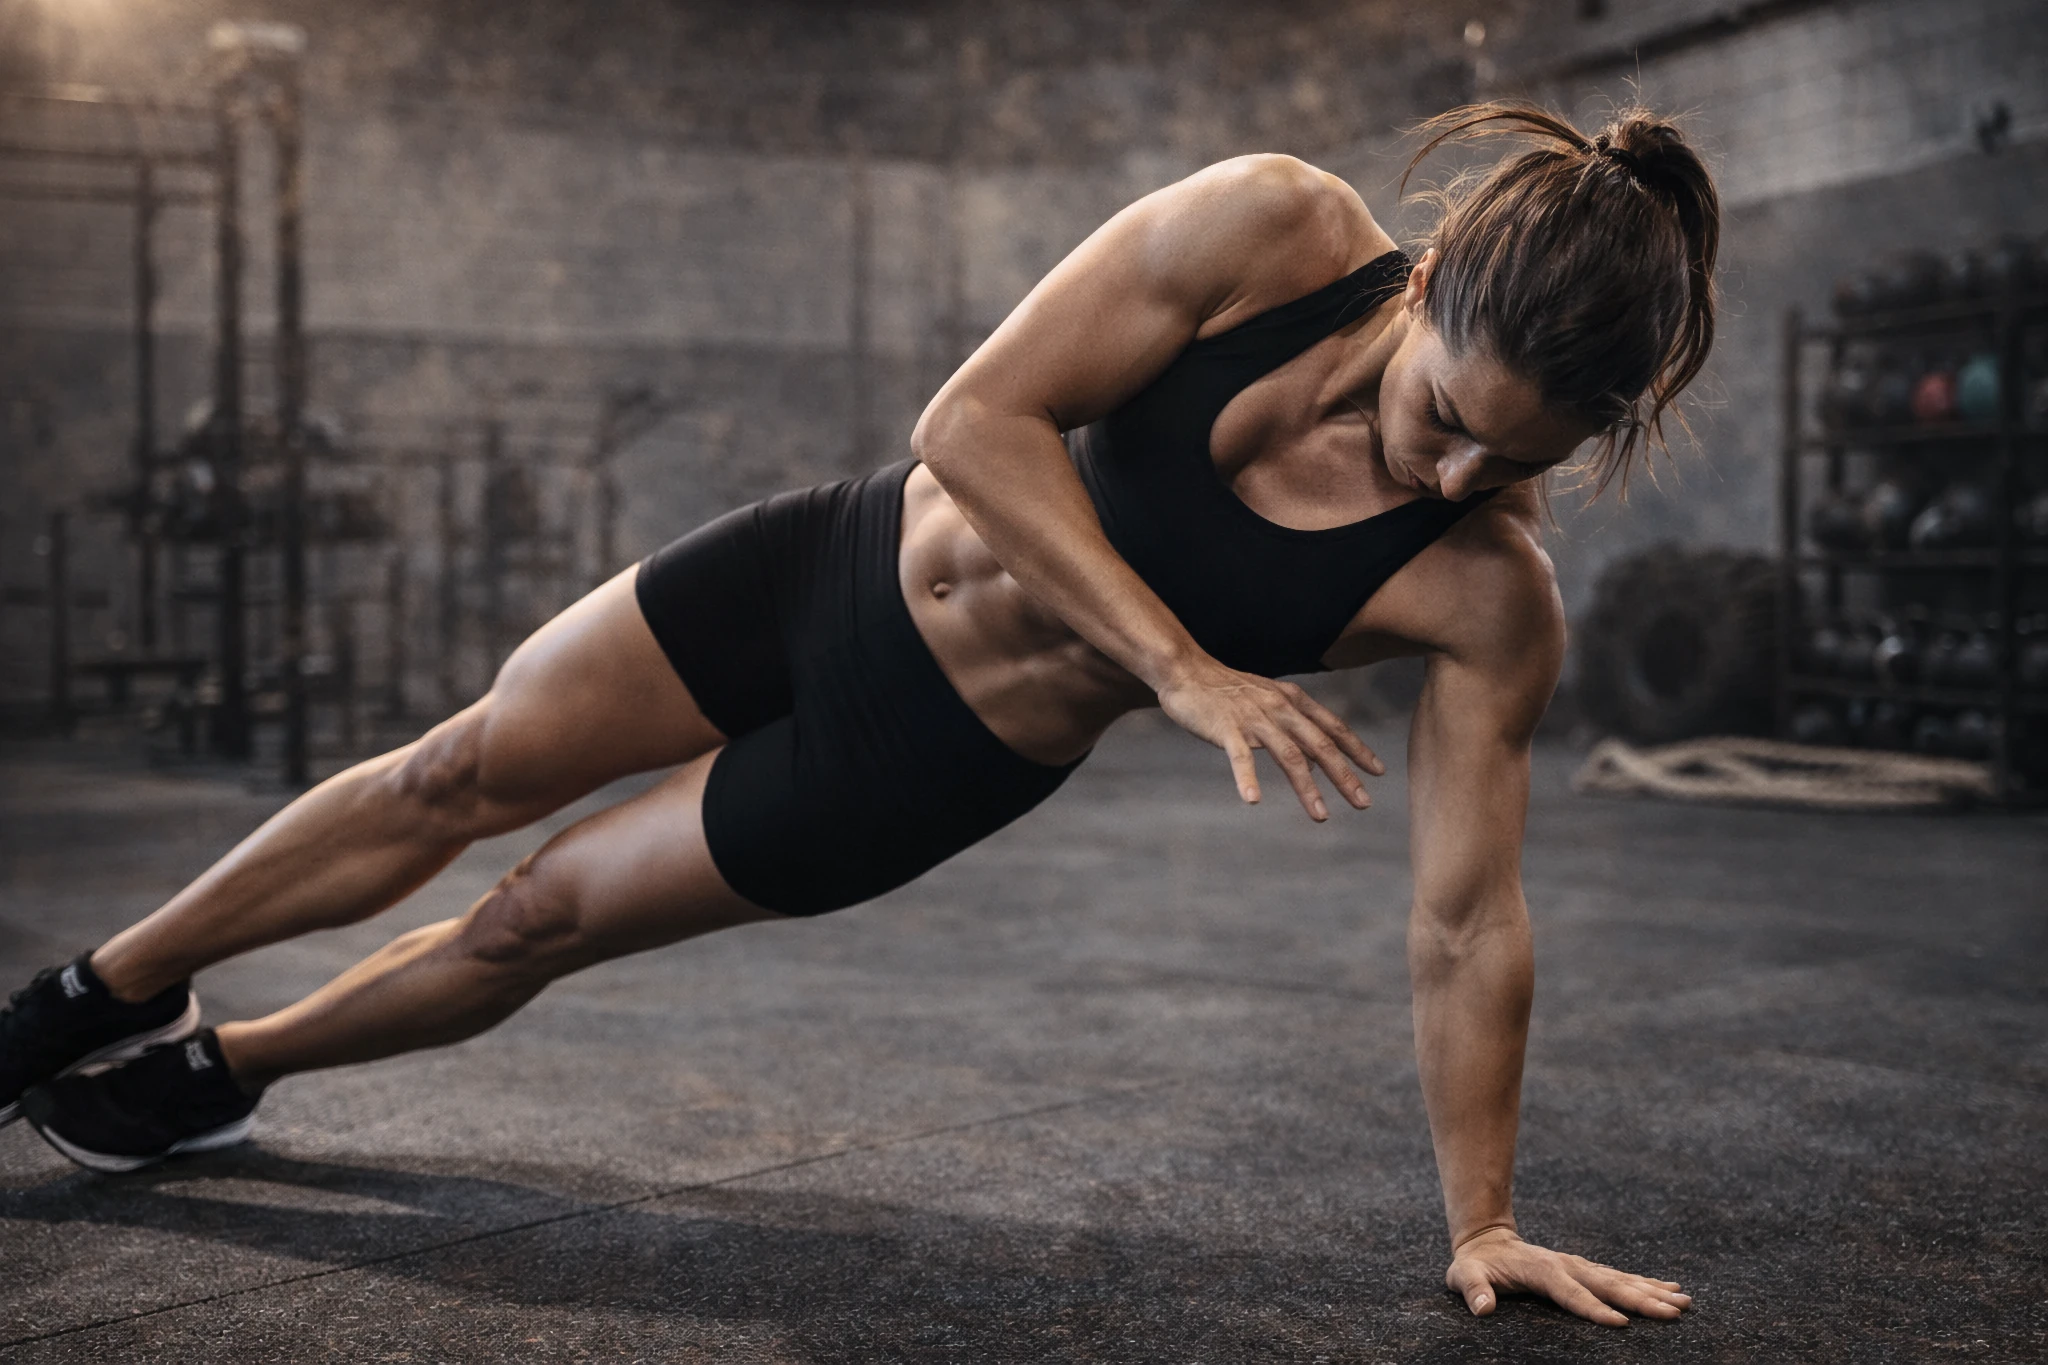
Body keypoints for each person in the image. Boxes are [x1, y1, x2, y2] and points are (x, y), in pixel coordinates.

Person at [1, 102, 1714, 1327]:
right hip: (830, 562)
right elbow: (973, 422)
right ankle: (101, 986)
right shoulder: (1266, 228)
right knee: (461, 764)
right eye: (1452, 418)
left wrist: (1483, 1218)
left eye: (1525, 462)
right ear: (1425, 288)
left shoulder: (1488, 595)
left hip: (926, 757)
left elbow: (1468, 920)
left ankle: (222, 1069)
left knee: (536, 917)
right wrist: (1185, 668)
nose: (1467, 472)